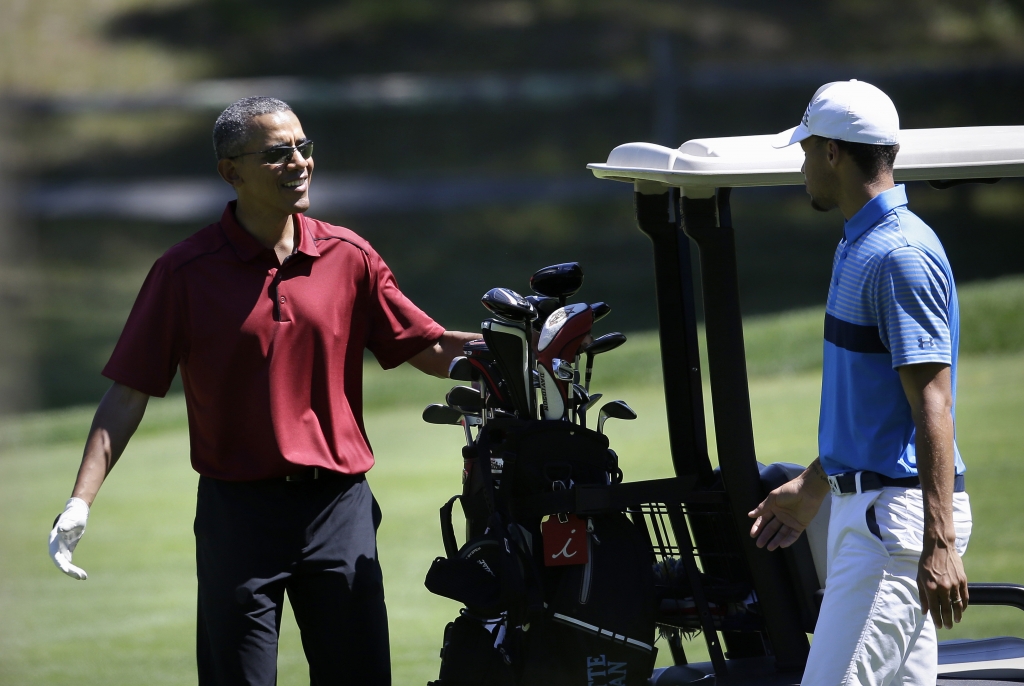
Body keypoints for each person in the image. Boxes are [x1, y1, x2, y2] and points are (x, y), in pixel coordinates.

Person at [47, 96, 480, 686]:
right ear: (232, 171)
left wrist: (518, 352)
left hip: (338, 507)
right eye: (278, 154)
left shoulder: (346, 255)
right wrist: (80, 500)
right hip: (239, 517)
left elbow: (426, 346)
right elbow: (129, 392)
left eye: (303, 148)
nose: (299, 163)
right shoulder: (184, 272)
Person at [747, 80, 973, 685]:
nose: (800, 164)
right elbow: (872, 418)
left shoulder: (899, 254)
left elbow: (932, 403)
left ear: (832, 153)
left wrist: (940, 541)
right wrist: (815, 485)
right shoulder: (861, 246)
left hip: (895, 526)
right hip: (870, 513)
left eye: (805, 149)